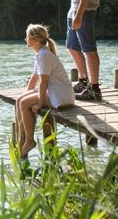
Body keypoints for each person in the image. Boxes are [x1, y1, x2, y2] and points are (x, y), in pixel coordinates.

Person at [15, 24, 74, 157]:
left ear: (34, 39)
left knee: (24, 103)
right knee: (20, 100)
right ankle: (23, 138)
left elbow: (44, 82)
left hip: (60, 97)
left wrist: (40, 103)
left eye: (27, 36)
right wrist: (26, 93)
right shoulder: (40, 54)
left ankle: (29, 140)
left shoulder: (44, 55)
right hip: (54, 93)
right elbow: (34, 79)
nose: (25, 39)